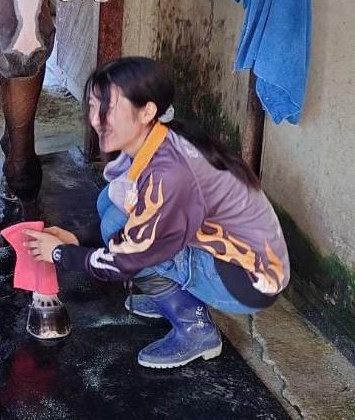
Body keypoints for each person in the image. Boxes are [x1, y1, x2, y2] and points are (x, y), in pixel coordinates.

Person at [24, 56, 290, 369]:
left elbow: (122, 260)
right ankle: (172, 296)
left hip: (248, 281)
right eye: (94, 105)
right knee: (108, 202)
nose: (97, 118)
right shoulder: (158, 139)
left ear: (147, 111)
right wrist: (75, 238)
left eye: (110, 108)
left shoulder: (170, 173)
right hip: (230, 254)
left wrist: (60, 254)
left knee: (119, 234)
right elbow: (125, 205)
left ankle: (195, 328)